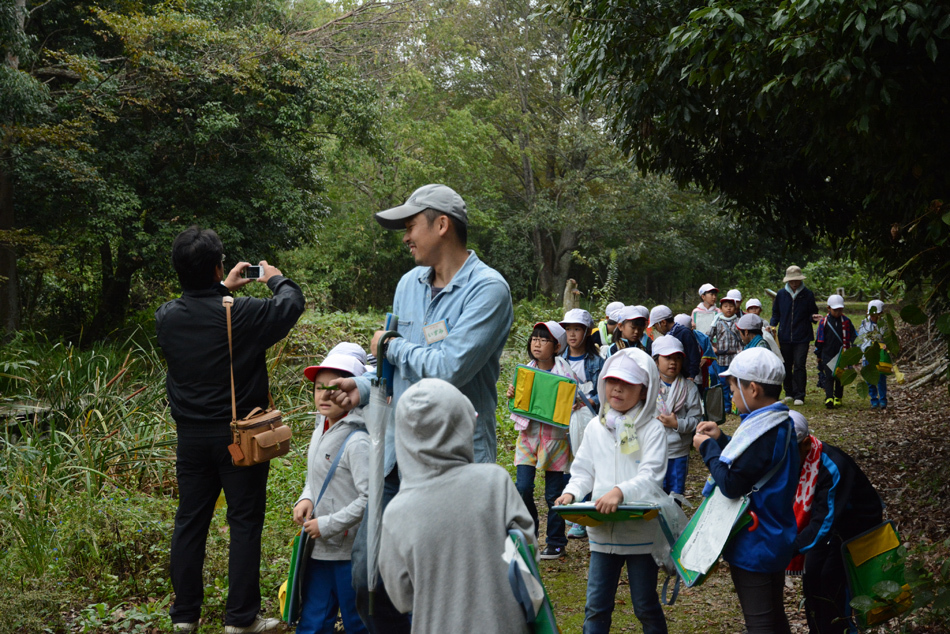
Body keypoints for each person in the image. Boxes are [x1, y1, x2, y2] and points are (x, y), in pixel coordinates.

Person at [327, 184, 514, 631]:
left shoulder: (488, 291)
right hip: (394, 458)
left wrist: (391, 345)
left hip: (455, 463)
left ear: (442, 224)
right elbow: (395, 376)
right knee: (367, 580)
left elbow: (447, 370)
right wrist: (363, 388)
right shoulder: (408, 285)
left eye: (411, 225)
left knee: (447, 585)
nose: (406, 237)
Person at [156, 226, 305, 634]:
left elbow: (201, 308)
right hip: (240, 437)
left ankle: (184, 616)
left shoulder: (166, 317)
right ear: (219, 265)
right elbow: (292, 303)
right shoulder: (240, 314)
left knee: (190, 521)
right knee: (243, 523)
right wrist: (273, 276)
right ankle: (239, 620)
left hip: (190, 438)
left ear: (177, 271)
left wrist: (220, 285)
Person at [378, 379, 535, 634]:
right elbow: (527, 551)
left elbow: (402, 598)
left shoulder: (396, 513)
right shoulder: (494, 482)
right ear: (463, 424)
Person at [555, 348, 669, 634]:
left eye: (628, 383)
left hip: (640, 532)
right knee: (596, 606)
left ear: (645, 390)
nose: (617, 388)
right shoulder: (596, 427)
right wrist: (571, 493)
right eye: (611, 381)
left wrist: (620, 491)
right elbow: (583, 470)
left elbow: (652, 476)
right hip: (602, 531)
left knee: (644, 604)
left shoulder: (652, 429)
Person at [692, 348, 800, 634]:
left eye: (732, 388)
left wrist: (708, 449)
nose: (731, 396)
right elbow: (754, 464)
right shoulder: (779, 422)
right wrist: (723, 438)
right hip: (775, 533)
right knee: (774, 615)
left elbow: (730, 484)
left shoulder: (763, 431)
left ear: (752, 389)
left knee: (760, 621)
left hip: (757, 540)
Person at [294, 352, 371, 634]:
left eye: (334, 388)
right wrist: (306, 497)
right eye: (318, 388)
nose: (324, 396)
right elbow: (316, 477)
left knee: (357, 621)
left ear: (352, 392)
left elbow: (369, 498)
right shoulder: (321, 428)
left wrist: (327, 524)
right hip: (321, 550)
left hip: (349, 553)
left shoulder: (358, 441)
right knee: (313, 621)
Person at [786, 412, 884, 633]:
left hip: (855, 530)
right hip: (829, 528)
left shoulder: (832, 467)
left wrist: (787, 549)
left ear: (805, 444)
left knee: (832, 584)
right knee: (812, 579)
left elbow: (824, 522)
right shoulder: (796, 460)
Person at [505, 321, 575, 559]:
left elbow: (571, 405)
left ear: (556, 347)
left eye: (544, 340)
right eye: (535, 338)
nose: (537, 343)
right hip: (528, 436)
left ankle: (556, 541)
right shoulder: (526, 370)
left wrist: (571, 403)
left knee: (553, 493)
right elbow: (519, 404)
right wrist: (513, 394)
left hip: (555, 440)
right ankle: (529, 535)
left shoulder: (566, 374)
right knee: (523, 487)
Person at [652, 335, 701, 499]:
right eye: (668, 358)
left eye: (678, 358)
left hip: (678, 451)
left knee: (675, 494)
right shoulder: (648, 387)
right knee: (655, 494)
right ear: (656, 360)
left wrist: (677, 423)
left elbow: (696, 420)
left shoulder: (689, 388)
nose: (673, 362)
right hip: (653, 450)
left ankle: (675, 524)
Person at [770, 265, 820, 406]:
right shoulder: (781, 294)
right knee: (786, 365)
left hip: (802, 336)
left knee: (799, 365)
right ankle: (789, 393)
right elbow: (776, 314)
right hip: (784, 336)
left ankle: (800, 394)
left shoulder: (807, 294)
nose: (794, 283)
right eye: (791, 280)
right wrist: (772, 326)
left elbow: (812, 312)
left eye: (796, 280)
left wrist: (813, 317)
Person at [815, 294, 857, 409]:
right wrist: (818, 354)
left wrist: (854, 347)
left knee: (840, 375)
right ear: (829, 308)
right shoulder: (824, 322)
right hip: (827, 353)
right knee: (829, 375)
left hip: (842, 353)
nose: (838, 312)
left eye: (840, 310)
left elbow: (853, 335)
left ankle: (838, 396)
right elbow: (819, 339)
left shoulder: (847, 322)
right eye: (835, 310)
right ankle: (829, 397)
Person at [561, 308, 605, 410]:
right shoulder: (559, 360)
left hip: (590, 413)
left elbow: (606, 390)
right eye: (568, 329)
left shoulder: (598, 362)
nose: (572, 334)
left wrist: (588, 403)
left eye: (577, 329)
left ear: (588, 332)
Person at [707, 290, 743, 412]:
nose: (728, 309)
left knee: (735, 381)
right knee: (723, 382)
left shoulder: (738, 322)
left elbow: (742, 339)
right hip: (721, 358)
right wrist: (713, 348)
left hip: (735, 357)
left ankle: (736, 405)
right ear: (721, 308)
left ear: (735, 307)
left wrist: (740, 352)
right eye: (725, 306)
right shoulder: (717, 321)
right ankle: (726, 406)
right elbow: (708, 337)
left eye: (731, 306)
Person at [649, 304, 701, 383]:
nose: (657, 329)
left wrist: (692, 375)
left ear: (663, 322)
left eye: (656, 326)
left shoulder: (684, 333)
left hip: (688, 378)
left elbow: (694, 355)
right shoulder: (669, 335)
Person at [857, 299, 890, 410]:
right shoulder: (864, 323)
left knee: (881, 379)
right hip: (867, 355)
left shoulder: (884, 325)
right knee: (870, 379)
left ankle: (883, 400)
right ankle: (874, 400)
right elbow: (860, 339)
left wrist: (885, 344)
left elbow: (888, 338)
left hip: (880, 355)